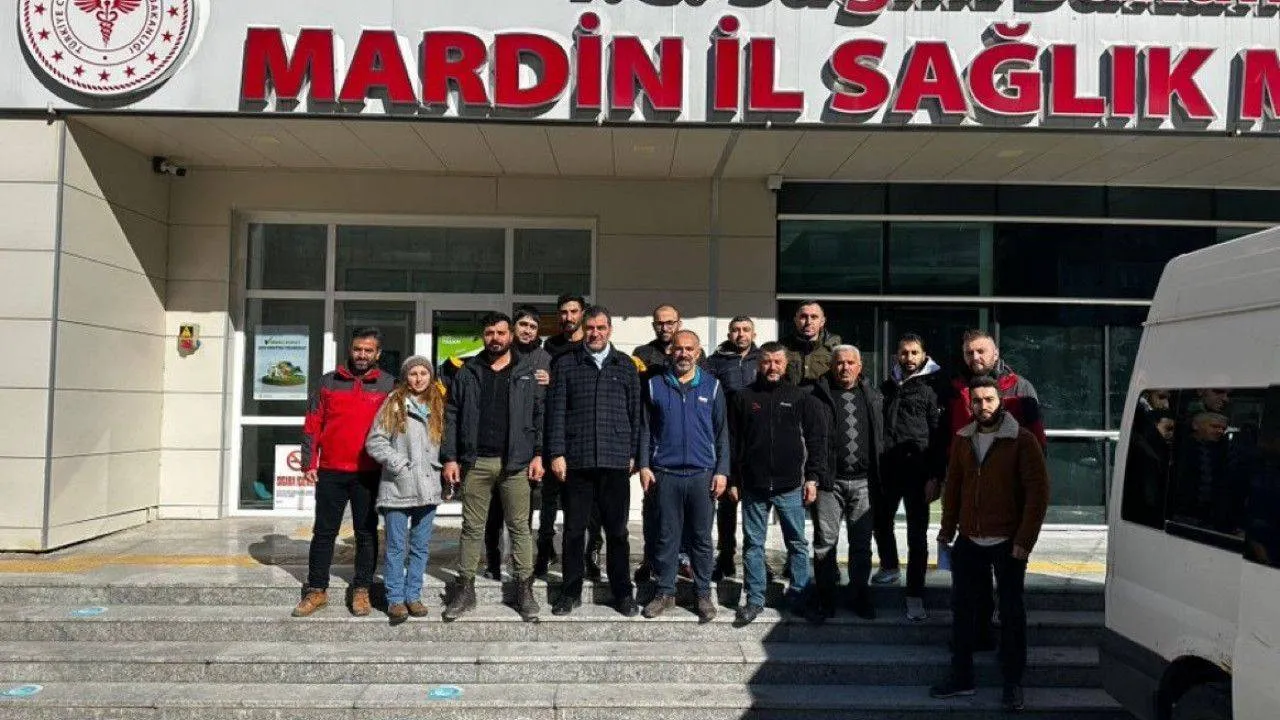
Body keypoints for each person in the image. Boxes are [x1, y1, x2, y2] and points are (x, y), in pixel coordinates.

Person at [931, 376, 1050, 713]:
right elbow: (954, 489)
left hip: (1008, 541)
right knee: (962, 610)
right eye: (977, 401)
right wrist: (946, 530)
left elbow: (1038, 494)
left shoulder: (1022, 440)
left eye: (989, 400)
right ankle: (962, 677)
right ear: (970, 404)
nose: (983, 406)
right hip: (970, 539)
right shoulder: (963, 439)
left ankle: (1012, 683)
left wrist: (1024, 541)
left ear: (1001, 402)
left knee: (1011, 613)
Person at [937, 328, 1046, 643]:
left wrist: (1025, 530)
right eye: (969, 352)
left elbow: (1037, 446)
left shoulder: (1020, 388)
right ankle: (979, 638)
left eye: (981, 351)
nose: (975, 357)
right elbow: (946, 439)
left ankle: (1010, 661)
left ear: (996, 353)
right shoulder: (956, 389)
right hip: (971, 514)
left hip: (1007, 515)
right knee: (973, 593)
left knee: (1010, 600)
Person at [440, 312, 545, 622]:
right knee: (472, 528)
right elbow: (452, 415)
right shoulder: (468, 371)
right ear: (483, 336)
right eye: (489, 333)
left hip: (516, 463)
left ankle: (524, 589)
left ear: (510, 335)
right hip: (477, 462)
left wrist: (539, 454)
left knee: (519, 527)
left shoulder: (527, 371)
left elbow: (539, 415)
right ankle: (465, 589)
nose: (495, 338)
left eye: (501, 333)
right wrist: (450, 457)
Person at [546, 305, 643, 617]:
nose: (595, 333)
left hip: (615, 460)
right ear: (583, 329)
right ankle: (570, 591)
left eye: (601, 328)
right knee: (574, 530)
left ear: (610, 330)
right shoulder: (566, 364)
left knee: (617, 532)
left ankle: (622, 592)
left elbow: (636, 413)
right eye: (590, 328)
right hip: (578, 459)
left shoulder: (625, 365)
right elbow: (556, 412)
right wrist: (556, 453)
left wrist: (634, 454)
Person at [292, 327, 396, 618]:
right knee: (324, 532)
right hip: (331, 471)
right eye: (357, 349)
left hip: (369, 472)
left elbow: (398, 428)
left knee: (366, 533)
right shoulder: (328, 382)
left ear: (378, 354)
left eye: (368, 350)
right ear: (350, 350)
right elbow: (312, 422)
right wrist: (308, 462)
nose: (362, 355)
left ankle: (362, 588)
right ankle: (316, 589)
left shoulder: (389, 384)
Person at [728, 342, 828, 625]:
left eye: (777, 362)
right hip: (754, 486)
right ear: (759, 364)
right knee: (753, 545)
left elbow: (816, 440)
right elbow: (733, 442)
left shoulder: (800, 397)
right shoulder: (743, 397)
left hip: (790, 486)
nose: (772, 367)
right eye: (766, 361)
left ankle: (799, 597)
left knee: (797, 544)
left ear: (785, 365)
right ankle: (755, 599)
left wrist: (812, 478)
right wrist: (734, 479)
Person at [638, 330, 729, 623]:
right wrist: (644, 465)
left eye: (690, 349)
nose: (684, 354)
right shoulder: (654, 385)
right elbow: (645, 430)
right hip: (666, 474)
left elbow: (722, 433)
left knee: (701, 538)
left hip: (702, 475)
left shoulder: (713, 386)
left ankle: (703, 593)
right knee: (666, 536)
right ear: (670, 352)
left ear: (698, 353)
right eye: (679, 348)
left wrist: (722, 471)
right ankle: (665, 592)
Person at [364, 356, 446, 625]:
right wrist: (399, 464)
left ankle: (413, 595)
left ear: (430, 376)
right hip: (398, 486)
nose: (419, 378)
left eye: (424, 373)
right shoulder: (393, 403)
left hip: (428, 486)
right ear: (405, 377)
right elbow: (375, 442)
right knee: (396, 547)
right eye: (413, 373)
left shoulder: (438, 405)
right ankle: (395, 598)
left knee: (420, 547)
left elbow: (445, 444)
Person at [876, 333, 949, 621]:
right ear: (897, 355)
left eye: (914, 353)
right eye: (904, 353)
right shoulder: (887, 386)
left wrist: (935, 475)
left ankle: (915, 594)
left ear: (924, 355)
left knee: (917, 535)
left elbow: (938, 435)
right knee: (881, 522)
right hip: (888, 469)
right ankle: (890, 566)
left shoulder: (932, 388)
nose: (909, 358)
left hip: (919, 473)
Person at [808, 345, 884, 622]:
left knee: (861, 544)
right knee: (825, 543)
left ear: (860, 366)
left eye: (851, 363)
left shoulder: (873, 396)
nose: (845, 368)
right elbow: (810, 440)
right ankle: (825, 599)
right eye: (840, 363)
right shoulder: (816, 397)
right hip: (829, 483)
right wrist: (812, 477)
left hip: (864, 483)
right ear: (831, 366)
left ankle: (859, 596)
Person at [632, 304, 705, 583]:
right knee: (653, 508)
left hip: (685, 444)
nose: (665, 327)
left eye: (670, 322)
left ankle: (683, 558)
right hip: (655, 439)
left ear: (679, 323)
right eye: (660, 323)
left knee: (683, 510)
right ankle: (651, 558)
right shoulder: (642, 354)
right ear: (654, 325)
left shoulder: (694, 353)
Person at [535, 294, 605, 581]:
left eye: (574, 311)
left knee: (592, 504)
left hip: (584, 434)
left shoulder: (591, 344)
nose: (568, 317)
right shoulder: (550, 347)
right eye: (563, 312)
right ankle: (544, 550)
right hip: (555, 430)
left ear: (583, 314)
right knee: (549, 498)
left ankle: (592, 554)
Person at [483, 305, 552, 580]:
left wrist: (551, 382)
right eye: (523, 325)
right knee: (493, 513)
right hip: (497, 444)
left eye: (533, 327)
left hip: (527, 445)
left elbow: (545, 406)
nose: (527, 331)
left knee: (522, 514)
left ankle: (521, 564)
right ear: (513, 329)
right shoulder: (500, 354)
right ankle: (493, 562)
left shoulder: (545, 358)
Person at [704, 316, 761, 579]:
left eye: (746, 330)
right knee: (726, 501)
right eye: (736, 330)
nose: (741, 334)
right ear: (729, 334)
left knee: (755, 504)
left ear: (753, 334)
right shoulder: (715, 362)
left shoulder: (762, 359)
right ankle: (726, 555)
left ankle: (755, 559)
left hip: (756, 439)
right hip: (726, 438)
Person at [780, 300, 842, 386]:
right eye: (803, 317)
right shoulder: (782, 347)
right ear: (795, 320)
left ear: (822, 321)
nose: (808, 322)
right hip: (792, 394)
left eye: (814, 317)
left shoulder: (835, 346)